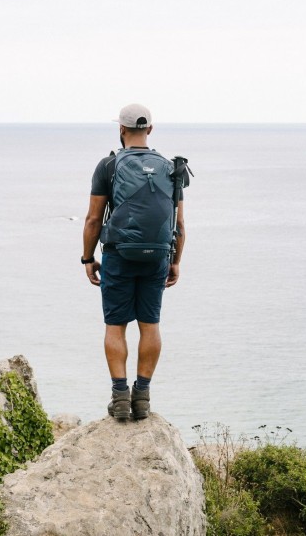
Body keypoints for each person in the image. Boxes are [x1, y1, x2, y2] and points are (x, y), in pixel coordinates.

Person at [81, 103, 185, 421]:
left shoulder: (108, 166)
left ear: (121, 130)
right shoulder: (170, 167)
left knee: (116, 326)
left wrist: (88, 258)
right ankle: (143, 396)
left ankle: (120, 396)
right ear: (150, 130)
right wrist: (175, 261)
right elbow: (180, 226)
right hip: (157, 256)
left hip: (118, 256)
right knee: (149, 324)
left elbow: (93, 219)